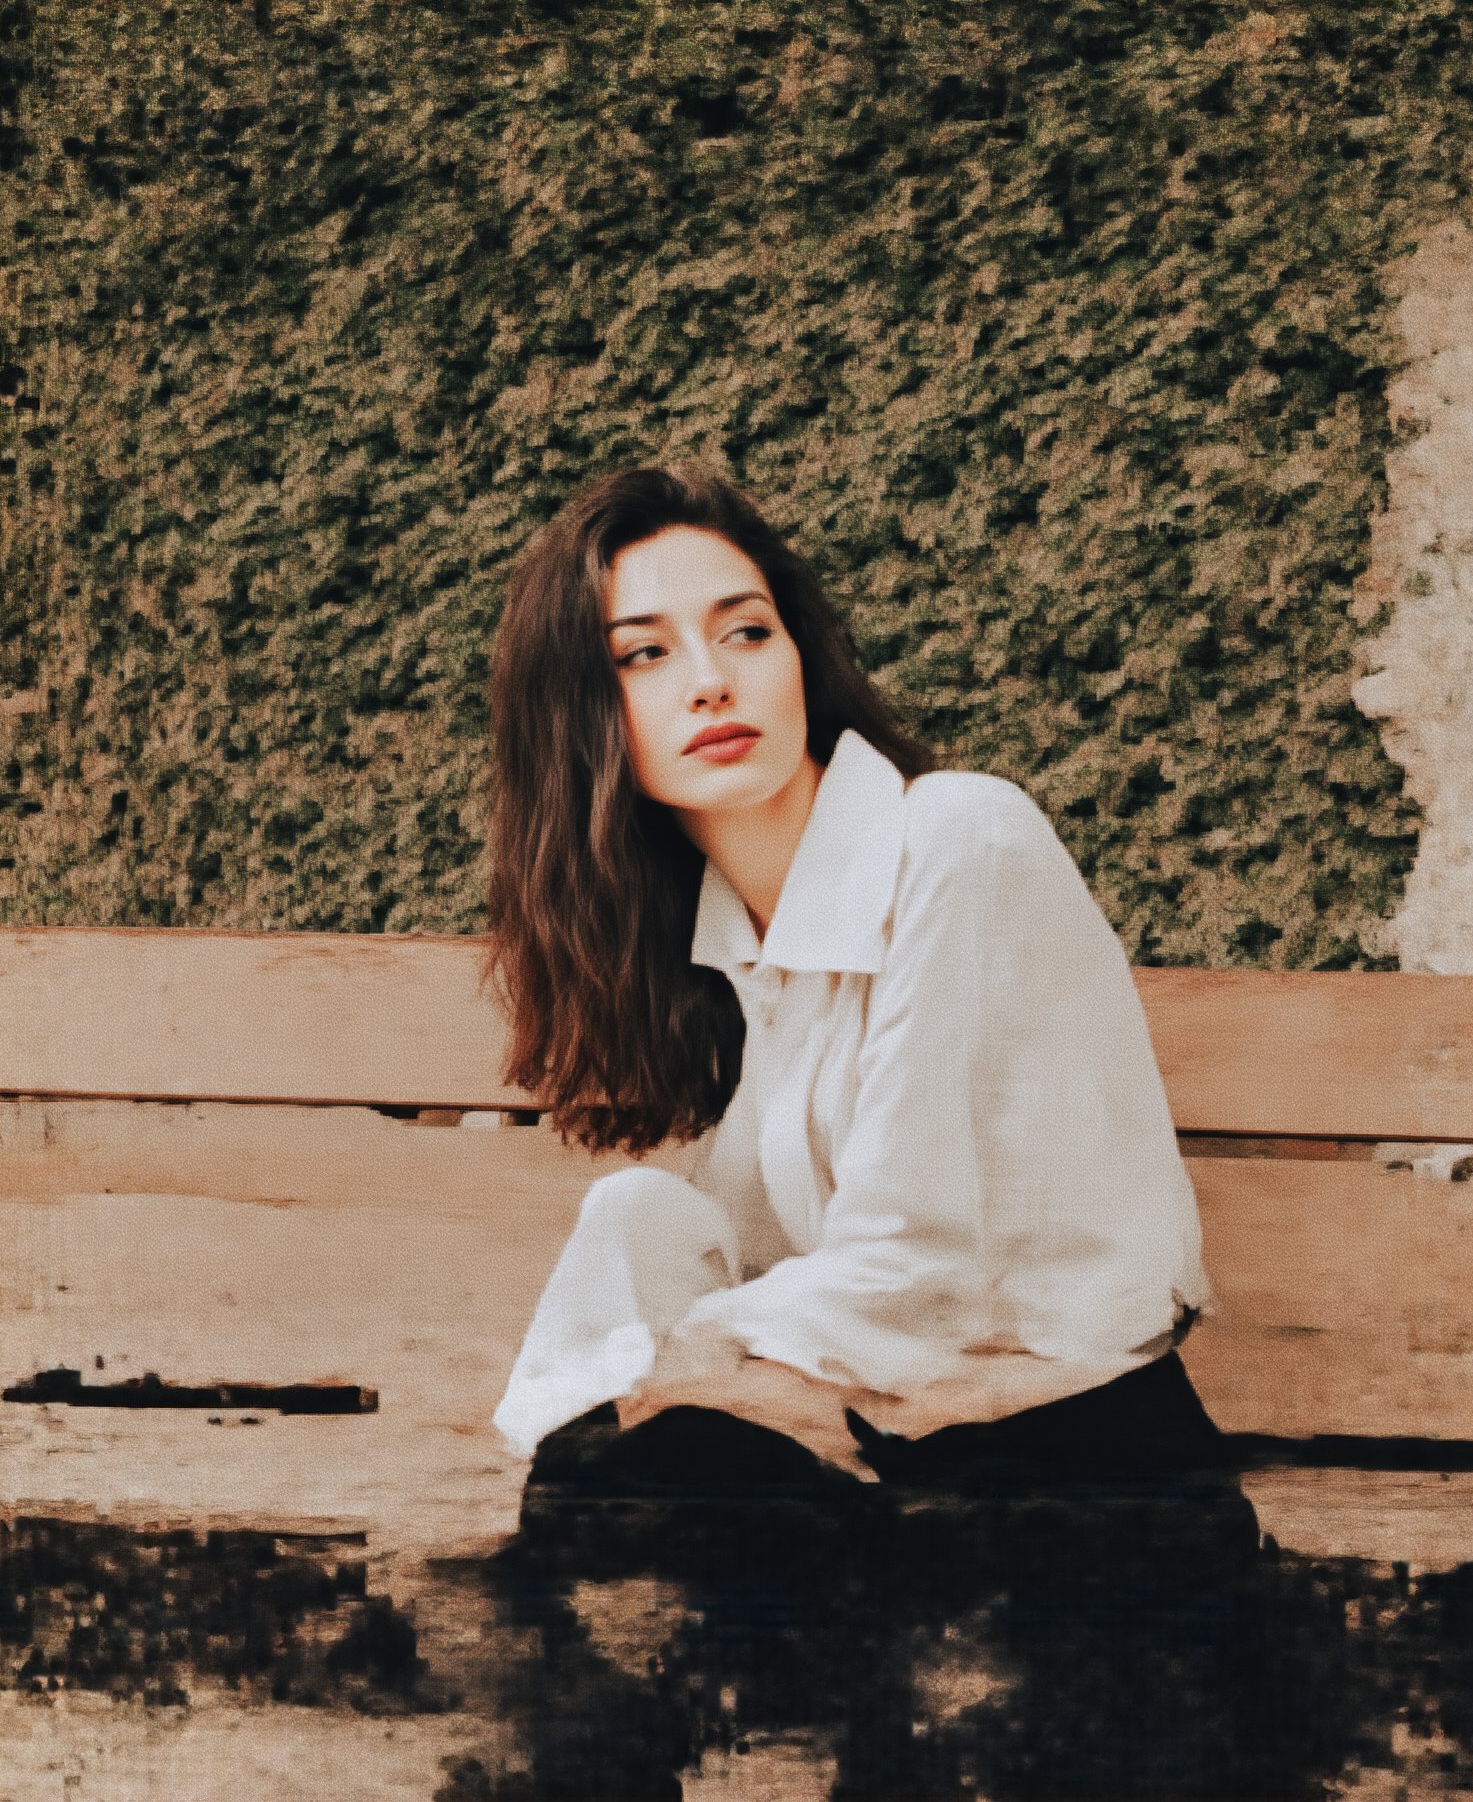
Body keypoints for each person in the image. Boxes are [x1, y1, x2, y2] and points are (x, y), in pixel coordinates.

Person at [482, 460, 1219, 1497]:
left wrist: (661, 1369)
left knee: (637, 1497)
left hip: (1079, 1460)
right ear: (582, 717)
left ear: (798, 656)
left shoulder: (958, 836)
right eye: (643, 654)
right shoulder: (733, 948)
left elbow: (914, 1257)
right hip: (888, 1453)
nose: (709, 678)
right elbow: (756, 1265)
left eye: (745, 630)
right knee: (629, 1277)